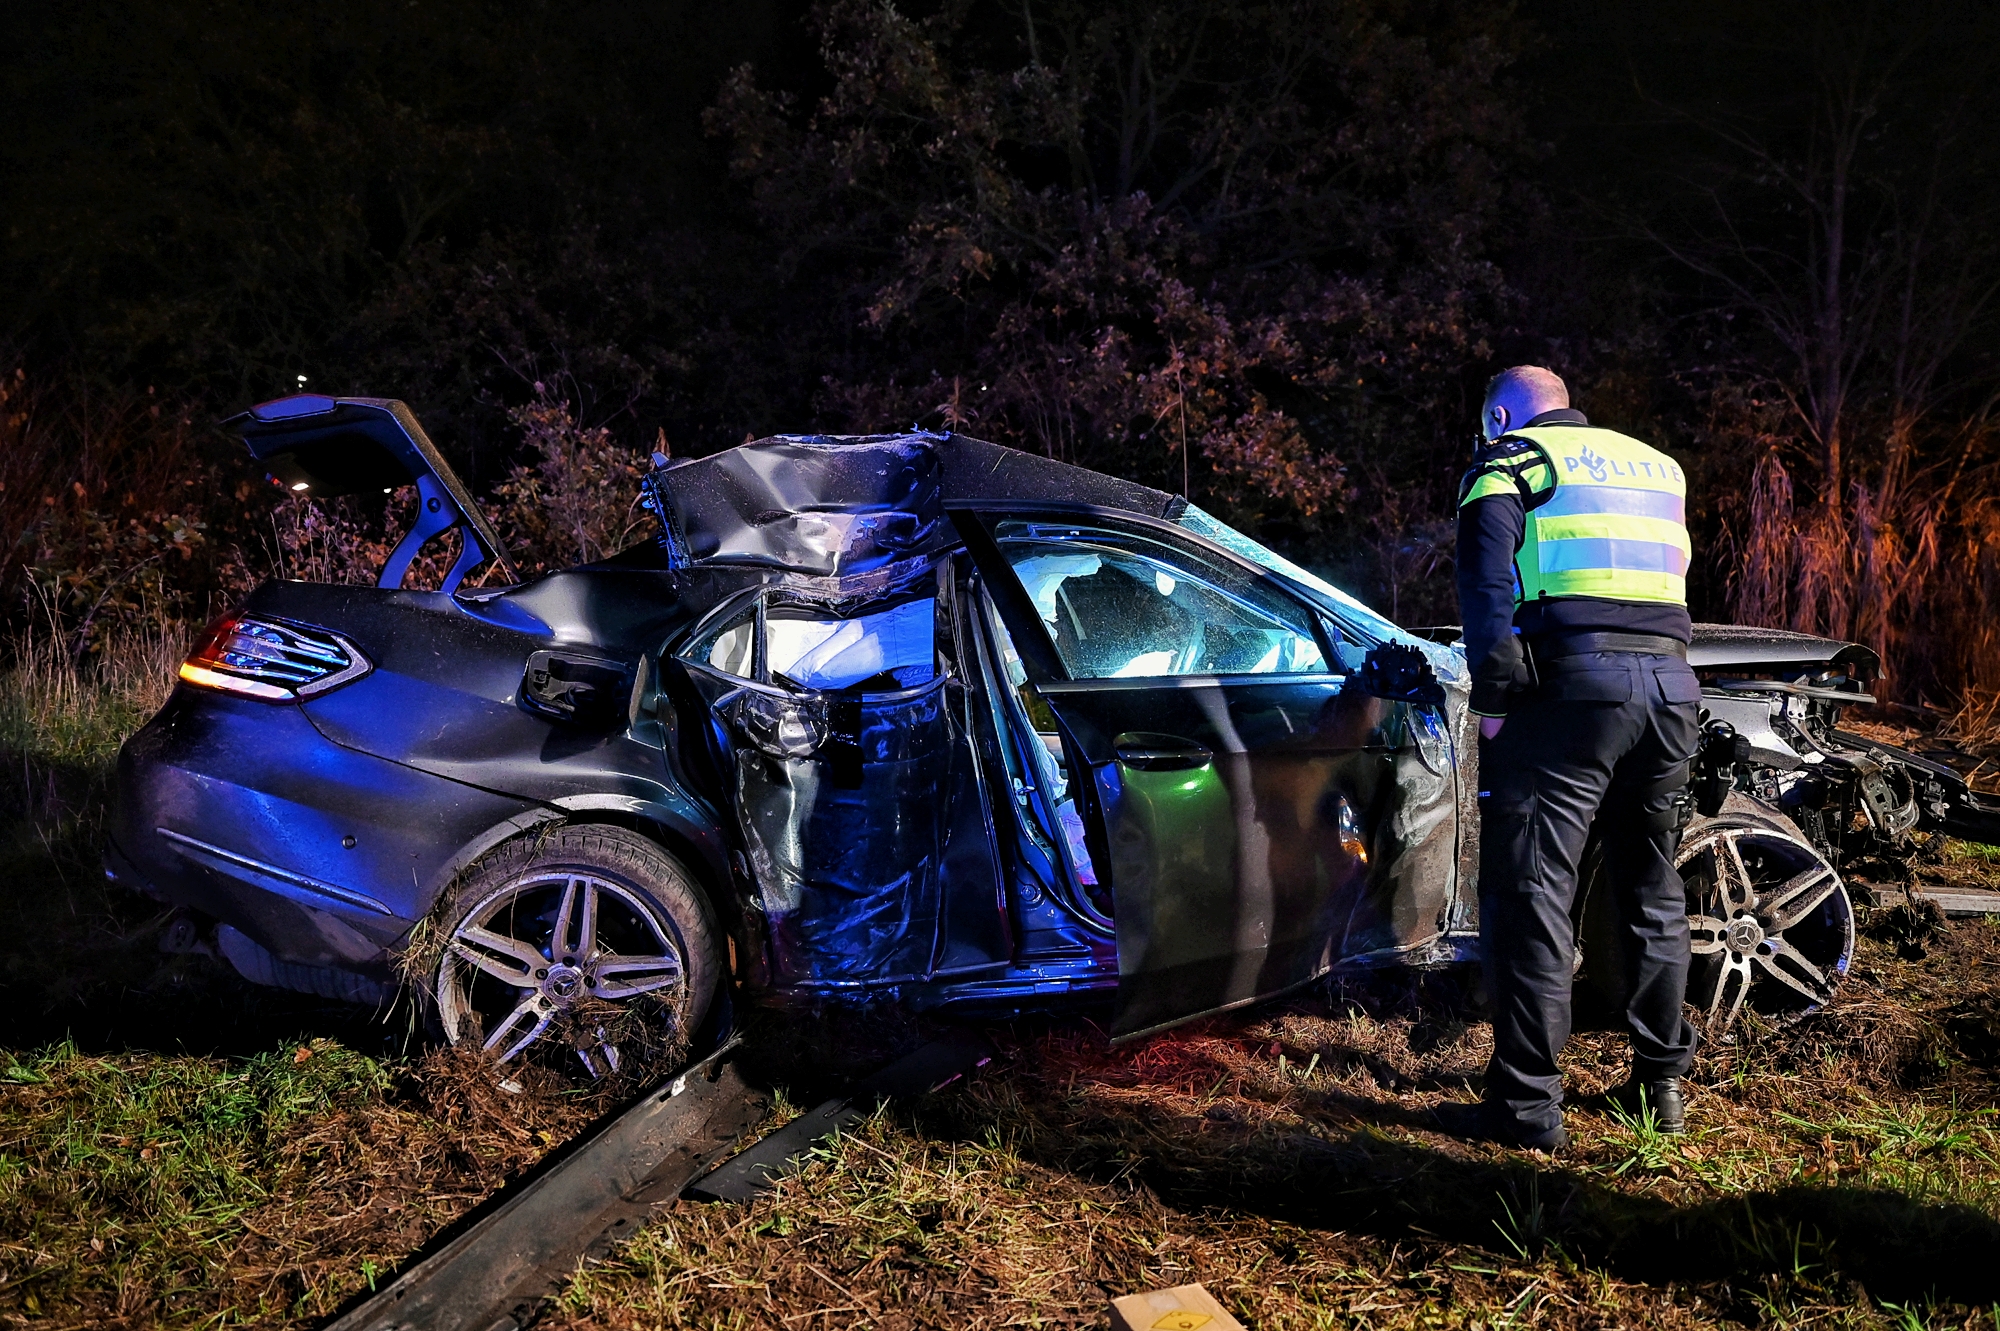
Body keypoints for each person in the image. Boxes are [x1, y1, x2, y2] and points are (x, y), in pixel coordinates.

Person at [1433, 366, 1701, 1151]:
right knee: (1652, 890)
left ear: (1500, 413)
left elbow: (1483, 587)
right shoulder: (1657, 464)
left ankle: (1524, 1108)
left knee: (1534, 892)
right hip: (1672, 688)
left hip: (1572, 691)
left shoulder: (1511, 460)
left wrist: (1495, 699)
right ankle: (1662, 1089)